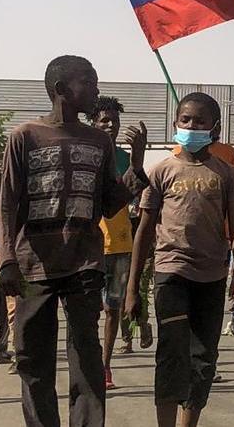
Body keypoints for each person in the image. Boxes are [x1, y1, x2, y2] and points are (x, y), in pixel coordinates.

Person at [0, 55, 137, 427]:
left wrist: (135, 170)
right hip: (33, 264)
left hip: (84, 262)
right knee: (33, 359)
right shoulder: (24, 137)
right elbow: (7, 203)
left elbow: (109, 205)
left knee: (86, 357)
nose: (96, 89)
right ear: (60, 90)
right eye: (88, 81)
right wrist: (6, 258)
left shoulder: (100, 142)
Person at [125, 92, 234, 427]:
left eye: (200, 121)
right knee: (171, 354)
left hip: (211, 277)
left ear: (215, 127)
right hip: (170, 275)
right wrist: (133, 287)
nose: (192, 126)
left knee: (203, 360)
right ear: (176, 124)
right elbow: (145, 231)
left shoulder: (226, 173)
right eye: (186, 120)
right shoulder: (161, 171)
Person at [89, 95, 149, 391]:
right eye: (104, 121)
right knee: (87, 309)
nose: (110, 126)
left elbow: (138, 192)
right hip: (88, 245)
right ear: (93, 122)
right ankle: (87, 365)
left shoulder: (127, 158)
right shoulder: (84, 152)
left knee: (114, 308)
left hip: (121, 243)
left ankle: (105, 366)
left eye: (115, 121)